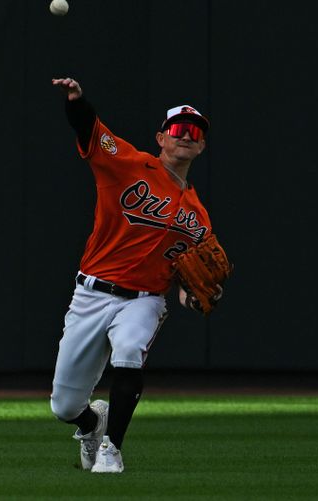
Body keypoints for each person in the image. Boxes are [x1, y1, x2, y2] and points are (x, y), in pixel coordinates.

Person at [49, 77, 221, 473]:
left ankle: (112, 448)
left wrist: (190, 295)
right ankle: (93, 424)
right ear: (161, 137)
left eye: (196, 132)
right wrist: (77, 100)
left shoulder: (198, 218)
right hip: (91, 293)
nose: (187, 136)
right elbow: (89, 129)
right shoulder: (128, 164)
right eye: (178, 129)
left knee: (129, 352)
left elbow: (190, 275)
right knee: (64, 406)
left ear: (202, 146)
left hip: (144, 298)